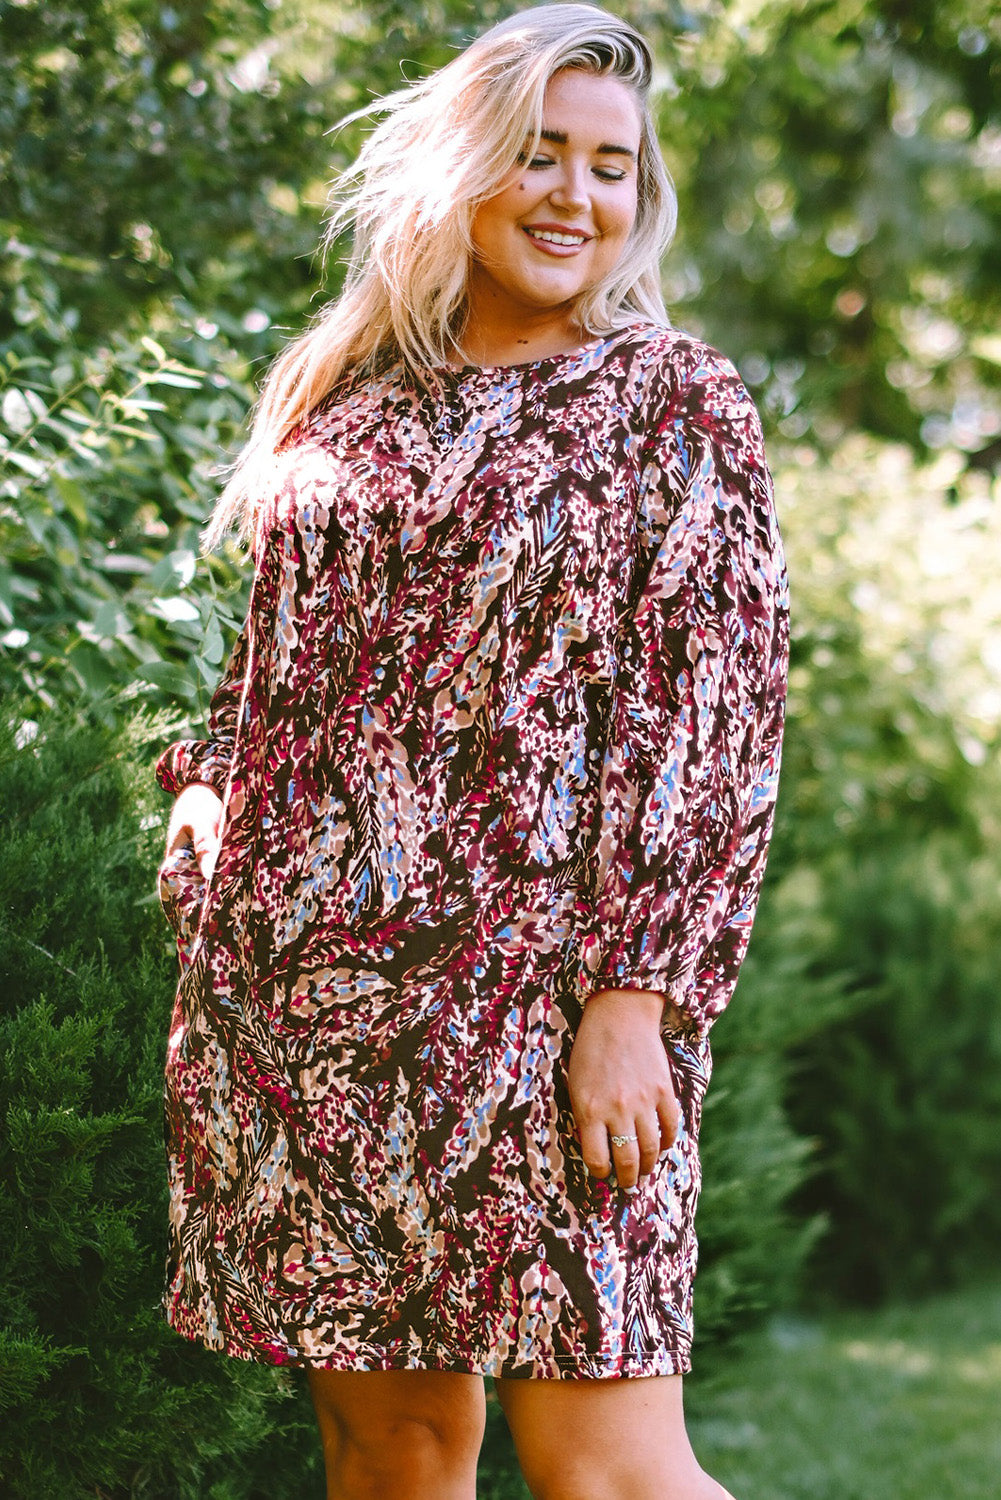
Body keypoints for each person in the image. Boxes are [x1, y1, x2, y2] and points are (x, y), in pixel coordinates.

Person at [155, 5, 789, 1497]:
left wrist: (637, 998)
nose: (576, 195)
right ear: (467, 169)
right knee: (391, 1447)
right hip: (306, 1002)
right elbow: (283, 670)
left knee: (608, 1465)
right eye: (538, 154)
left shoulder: (668, 403)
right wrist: (202, 781)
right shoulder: (348, 395)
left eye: (610, 165)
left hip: (545, 1001)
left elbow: (719, 717)